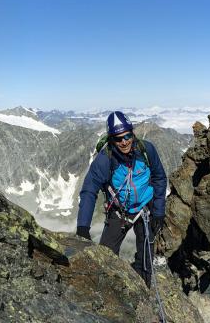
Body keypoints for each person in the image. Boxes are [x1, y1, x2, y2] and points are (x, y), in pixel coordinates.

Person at [76, 111, 167, 287]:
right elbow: (89, 191)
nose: (124, 142)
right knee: (106, 256)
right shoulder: (105, 160)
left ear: (132, 134)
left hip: (145, 209)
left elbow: (159, 178)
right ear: (111, 140)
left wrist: (158, 211)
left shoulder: (146, 150)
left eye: (127, 136)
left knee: (146, 258)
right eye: (118, 138)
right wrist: (83, 227)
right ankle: (110, 290)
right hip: (119, 212)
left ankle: (143, 289)